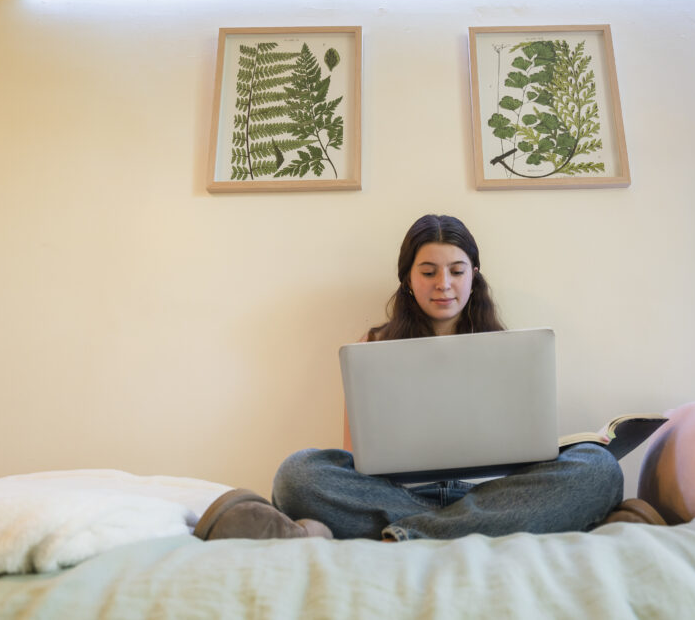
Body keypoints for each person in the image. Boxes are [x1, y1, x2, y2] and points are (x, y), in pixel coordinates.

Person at [265, 214, 636, 541]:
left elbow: (527, 444)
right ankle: (461, 529)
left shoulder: (508, 347)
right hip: (400, 496)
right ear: (408, 279)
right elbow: (353, 454)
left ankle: (410, 534)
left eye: (457, 271)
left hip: (494, 494)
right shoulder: (374, 345)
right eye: (428, 272)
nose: (443, 283)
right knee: (296, 473)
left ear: (473, 276)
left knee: (598, 467)